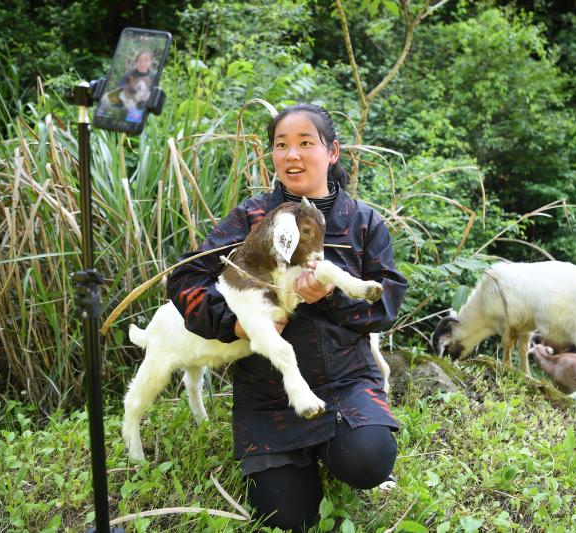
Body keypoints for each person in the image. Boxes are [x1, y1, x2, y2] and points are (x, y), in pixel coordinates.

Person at [167, 103, 408, 531]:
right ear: (272, 156)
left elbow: (387, 302)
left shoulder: (363, 222)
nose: (292, 155)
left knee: (368, 459)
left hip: (346, 381)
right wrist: (234, 324)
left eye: (304, 143)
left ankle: (343, 448)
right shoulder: (251, 217)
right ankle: (293, 462)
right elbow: (185, 279)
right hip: (268, 393)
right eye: (281, 146)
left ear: (332, 152)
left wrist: (328, 297)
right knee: (286, 517)